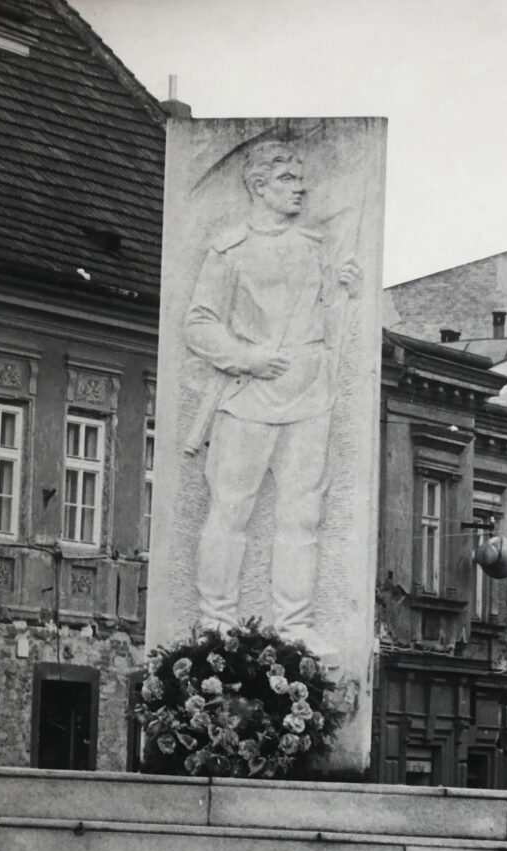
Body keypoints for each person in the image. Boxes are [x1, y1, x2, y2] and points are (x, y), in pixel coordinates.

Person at [183, 140, 361, 652]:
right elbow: (199, 323)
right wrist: (247, 357)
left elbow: (331, 331)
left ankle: (294, 625)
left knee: (302, 515)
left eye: (300, 178)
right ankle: (215, 622)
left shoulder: (315, 247)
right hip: (249, 396)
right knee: (229, 509)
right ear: (258, 186)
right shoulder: (230, 249)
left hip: (310, 395)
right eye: (287, 179)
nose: (300, 188)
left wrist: (346, 292)